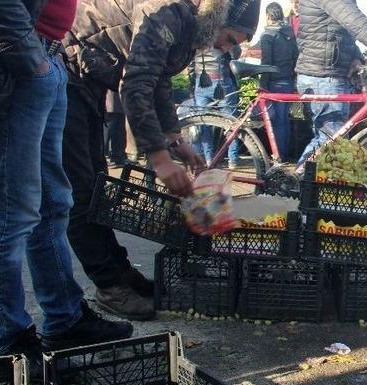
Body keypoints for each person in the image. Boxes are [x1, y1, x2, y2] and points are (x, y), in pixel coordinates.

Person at [0, 0, 134, 364]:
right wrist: (29, 58)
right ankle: (9, 344)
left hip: (45, 58)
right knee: (10, 213)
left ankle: (64, 318)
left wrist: (43, 61)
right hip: (13, 65)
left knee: (54, 204)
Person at [62, 0, 261, 320]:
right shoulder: (170, 9)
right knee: (80, 191)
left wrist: (175, 140)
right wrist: (160, 159)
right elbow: (137, 83)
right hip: (68, 70)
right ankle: (110, 286)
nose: (224, 49)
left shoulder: (191, 28)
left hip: (89, 78)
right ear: (221, 17)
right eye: (231, 39)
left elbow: (161, 81)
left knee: (96, 184)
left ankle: (120, 272)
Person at [294, 0, 367, 167]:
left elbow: (341, 31)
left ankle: (301, 184)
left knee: (328, 141)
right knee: (332, 142)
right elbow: (356, 23)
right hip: (324, 76)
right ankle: (292, 184)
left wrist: (356, 56)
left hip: (325, 73)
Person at [260, 2, 299, 162]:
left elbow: (266, 62)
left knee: (274, 120)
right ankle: (283, 154)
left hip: (274, 83)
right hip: (288, 81)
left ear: (268, 16)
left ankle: (278, 156)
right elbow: (296, 56)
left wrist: (262, 85)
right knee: (284, 120)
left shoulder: (268, 35)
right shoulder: (289, 33)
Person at [192, 47, 242, 166]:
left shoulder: (197, 35)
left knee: (204, 122)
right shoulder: (224, 33)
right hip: (221, 80)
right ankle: (232, 160)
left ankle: (209, 159)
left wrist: (192, 85)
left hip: (201, 80)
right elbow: (236, 53)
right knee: (230, 122)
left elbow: (190, 64)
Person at [105, 91, 128, 166]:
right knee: (108, 129)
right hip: (110, 102)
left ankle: (118, 156)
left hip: (119, 101)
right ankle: (103, 156)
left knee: (120, 131)